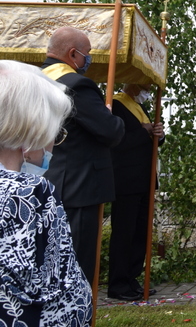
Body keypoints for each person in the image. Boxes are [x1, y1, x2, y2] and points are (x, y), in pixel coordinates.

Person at [0, 60, 93, 326]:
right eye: (55, 134)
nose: (54, 144)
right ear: (30, 137)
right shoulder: (28, 194)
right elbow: (62, 303)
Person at [41, 26, 125, 281]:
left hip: (44, 180)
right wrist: (110, 116)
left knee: (49, 258)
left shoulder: (35, 80)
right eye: (87, 53)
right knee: (76, 262)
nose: (89, 59)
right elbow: (110, 131)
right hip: (78, 186)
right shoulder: (77, 85)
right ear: (73, 54)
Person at [107, 83, 164, 301]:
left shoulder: (141, 107)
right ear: (133, 85)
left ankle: (132, 279)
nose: (148, 91)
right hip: (126, 180)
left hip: (145, 179)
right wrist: (144, 131)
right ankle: (118, 284)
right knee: (124, 234)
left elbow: (150, 140)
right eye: (145, 87)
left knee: (140, 234)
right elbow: (119, 142)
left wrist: (160, 134)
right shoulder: (117, 104)